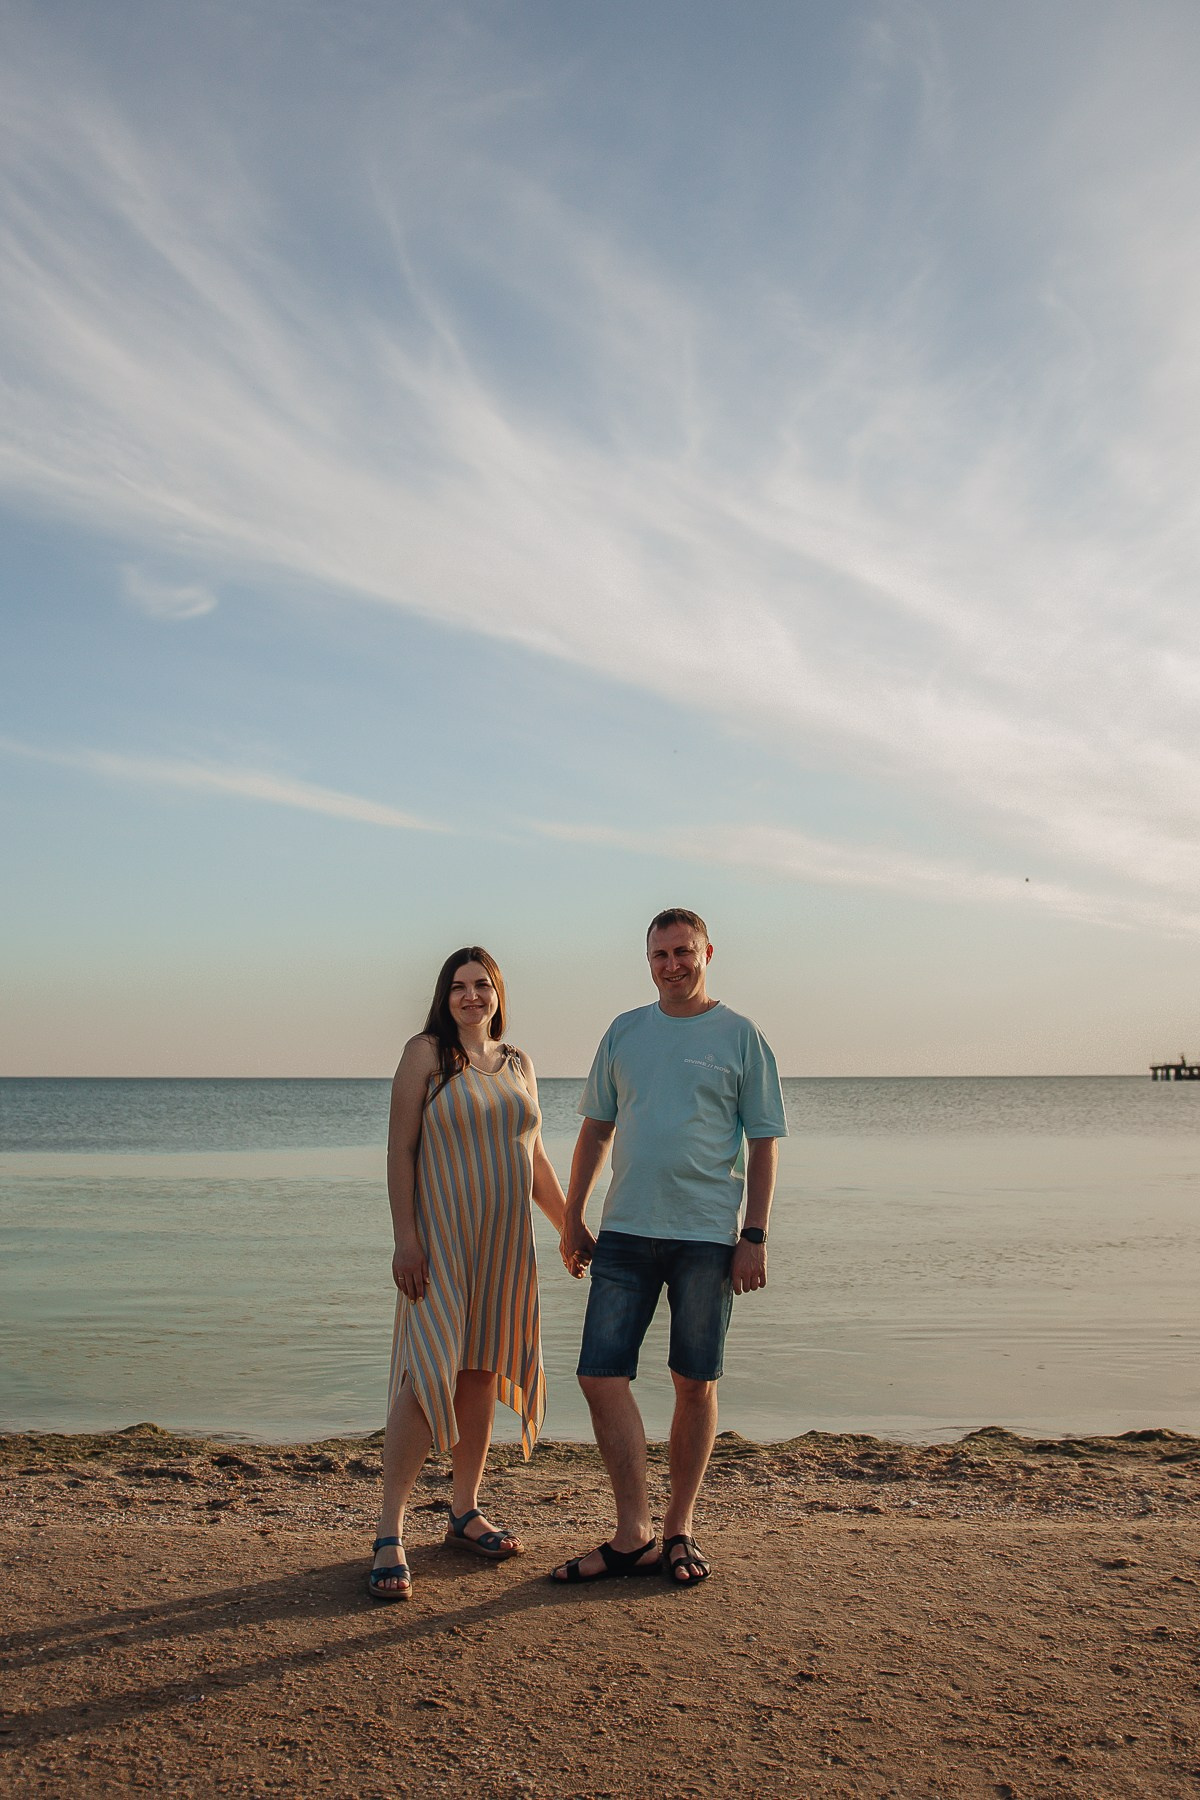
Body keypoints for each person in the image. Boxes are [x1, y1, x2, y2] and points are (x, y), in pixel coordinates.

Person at [552, 908, 787, 1588]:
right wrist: (572, 1218)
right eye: (660, 955)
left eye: (683, 952)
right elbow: (595, 1131)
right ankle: (633, 1532)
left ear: (707, 952)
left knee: (695, 1382)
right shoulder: (625, 1032)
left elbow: (764, 1140)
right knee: (599, 1374)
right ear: (647, 960)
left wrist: (755, 1235)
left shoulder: (741, 1036)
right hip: (625, 1230)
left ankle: (679, 1527)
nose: (672, 965)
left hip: (707, 1237)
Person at [369, 946, 568, 1601]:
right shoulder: (424, 1054)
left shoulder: (519, 1064)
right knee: (427, 1373)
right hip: (442, 1241)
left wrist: (570, 1226)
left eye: (482, 985)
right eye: (458, 986)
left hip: (505, 1244)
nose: (471, 996)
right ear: (444, 995)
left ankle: (464, 1509)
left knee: (481, 1367)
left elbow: (534, 1159)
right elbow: (400, 1150)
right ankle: (389, 1532)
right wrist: (405, 1239)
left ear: (498, 994)